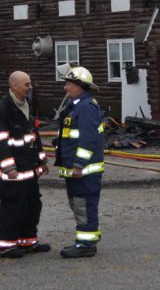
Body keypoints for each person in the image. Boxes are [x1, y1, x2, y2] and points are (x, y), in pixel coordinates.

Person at [0, 71, 50, 258]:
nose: (30, 87)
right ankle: (6, 245)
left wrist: (42, 160)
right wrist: (9, 167)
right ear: (14, 86)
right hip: (14, 171)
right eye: (27, 84)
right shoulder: (2, 110)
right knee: (13, 207)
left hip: (30, 168)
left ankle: (27, 241)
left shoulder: (27, 105)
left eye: (30, 83)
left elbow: (33, 135)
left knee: (32, 205)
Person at [55, 66, 105, 258]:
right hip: (79, 171)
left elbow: (87, 140)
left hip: (84, 171)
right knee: (79, 205)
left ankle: (86, 244)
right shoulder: (77, 105)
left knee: (84, 205)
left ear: (79, 86)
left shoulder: (85, 107)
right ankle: (86, 241)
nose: (65, 88)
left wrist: (78, 165)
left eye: (68, 84)